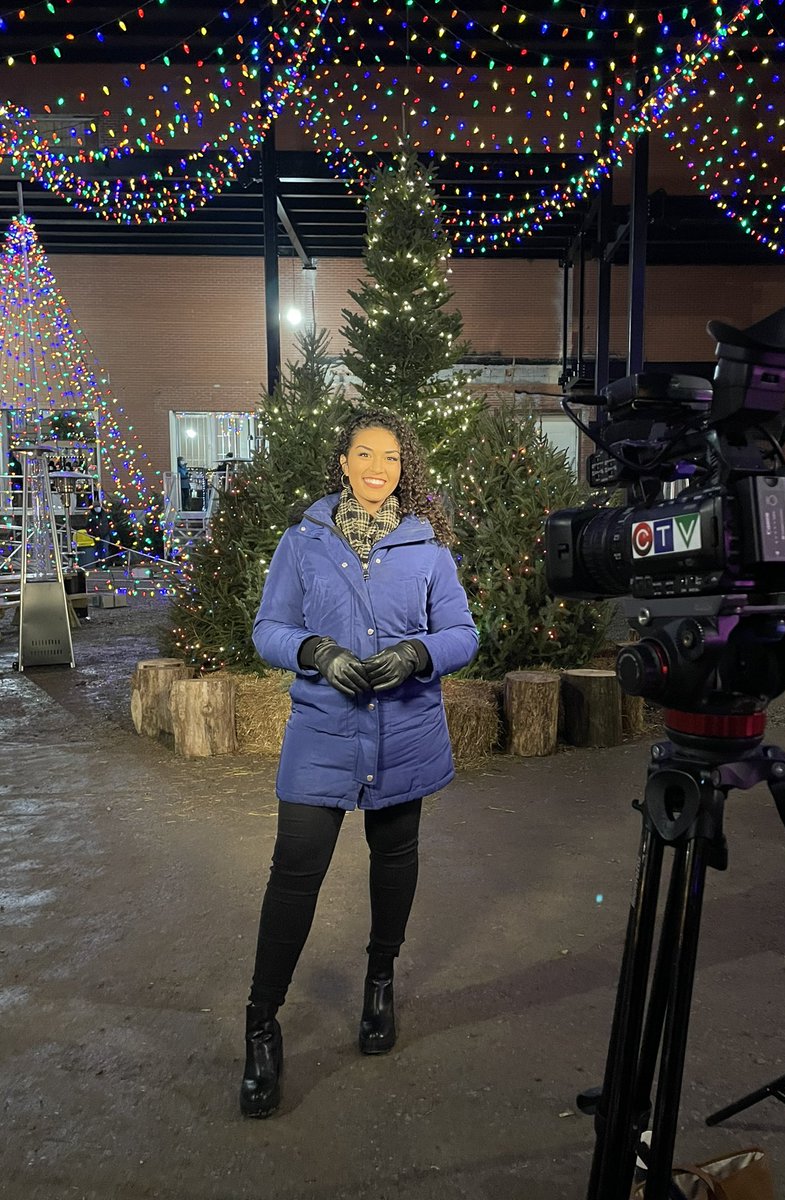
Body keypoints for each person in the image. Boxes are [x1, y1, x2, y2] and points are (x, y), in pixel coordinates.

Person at [240, 408, 478, 1119]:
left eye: (393, 458)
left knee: (394, 855)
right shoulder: (303, 542)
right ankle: (260, 1022)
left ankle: (380, 981)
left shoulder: (428, 549)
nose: (380, 468)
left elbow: (463, 633)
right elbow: (268, 628)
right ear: (342, 462)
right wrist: (314, 652)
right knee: (295, 874)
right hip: (322, 734)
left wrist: (418, 654)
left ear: (406, 470)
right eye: (365, 454)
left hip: (404, 734)